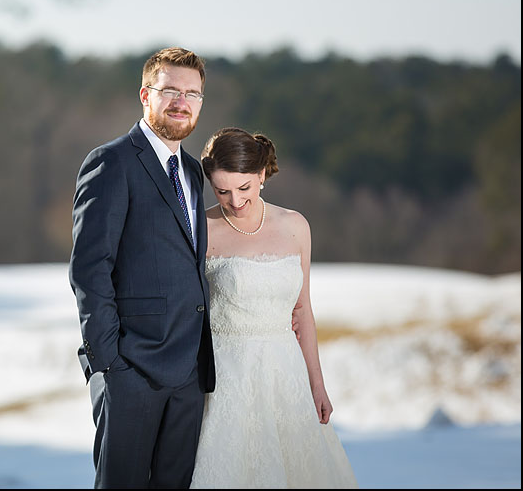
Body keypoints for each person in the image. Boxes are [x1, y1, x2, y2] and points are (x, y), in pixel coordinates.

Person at [69, 47, 216, 488]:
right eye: (170, 90)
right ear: (145, 95)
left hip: (189, 372)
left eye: (192, 93)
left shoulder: (191, 171)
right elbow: (90, 268)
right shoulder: (111, 162)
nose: (180, 101)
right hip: (131, 370)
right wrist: (110, 364)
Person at [189, 127, 357, 489]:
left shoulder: (296, 226)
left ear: (262, 175)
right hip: (225, 379)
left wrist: (316, 384)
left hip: (286, 376)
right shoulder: (201, 228)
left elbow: (302, 311)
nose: (234, 200)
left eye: (244, 187)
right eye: (222, 190)